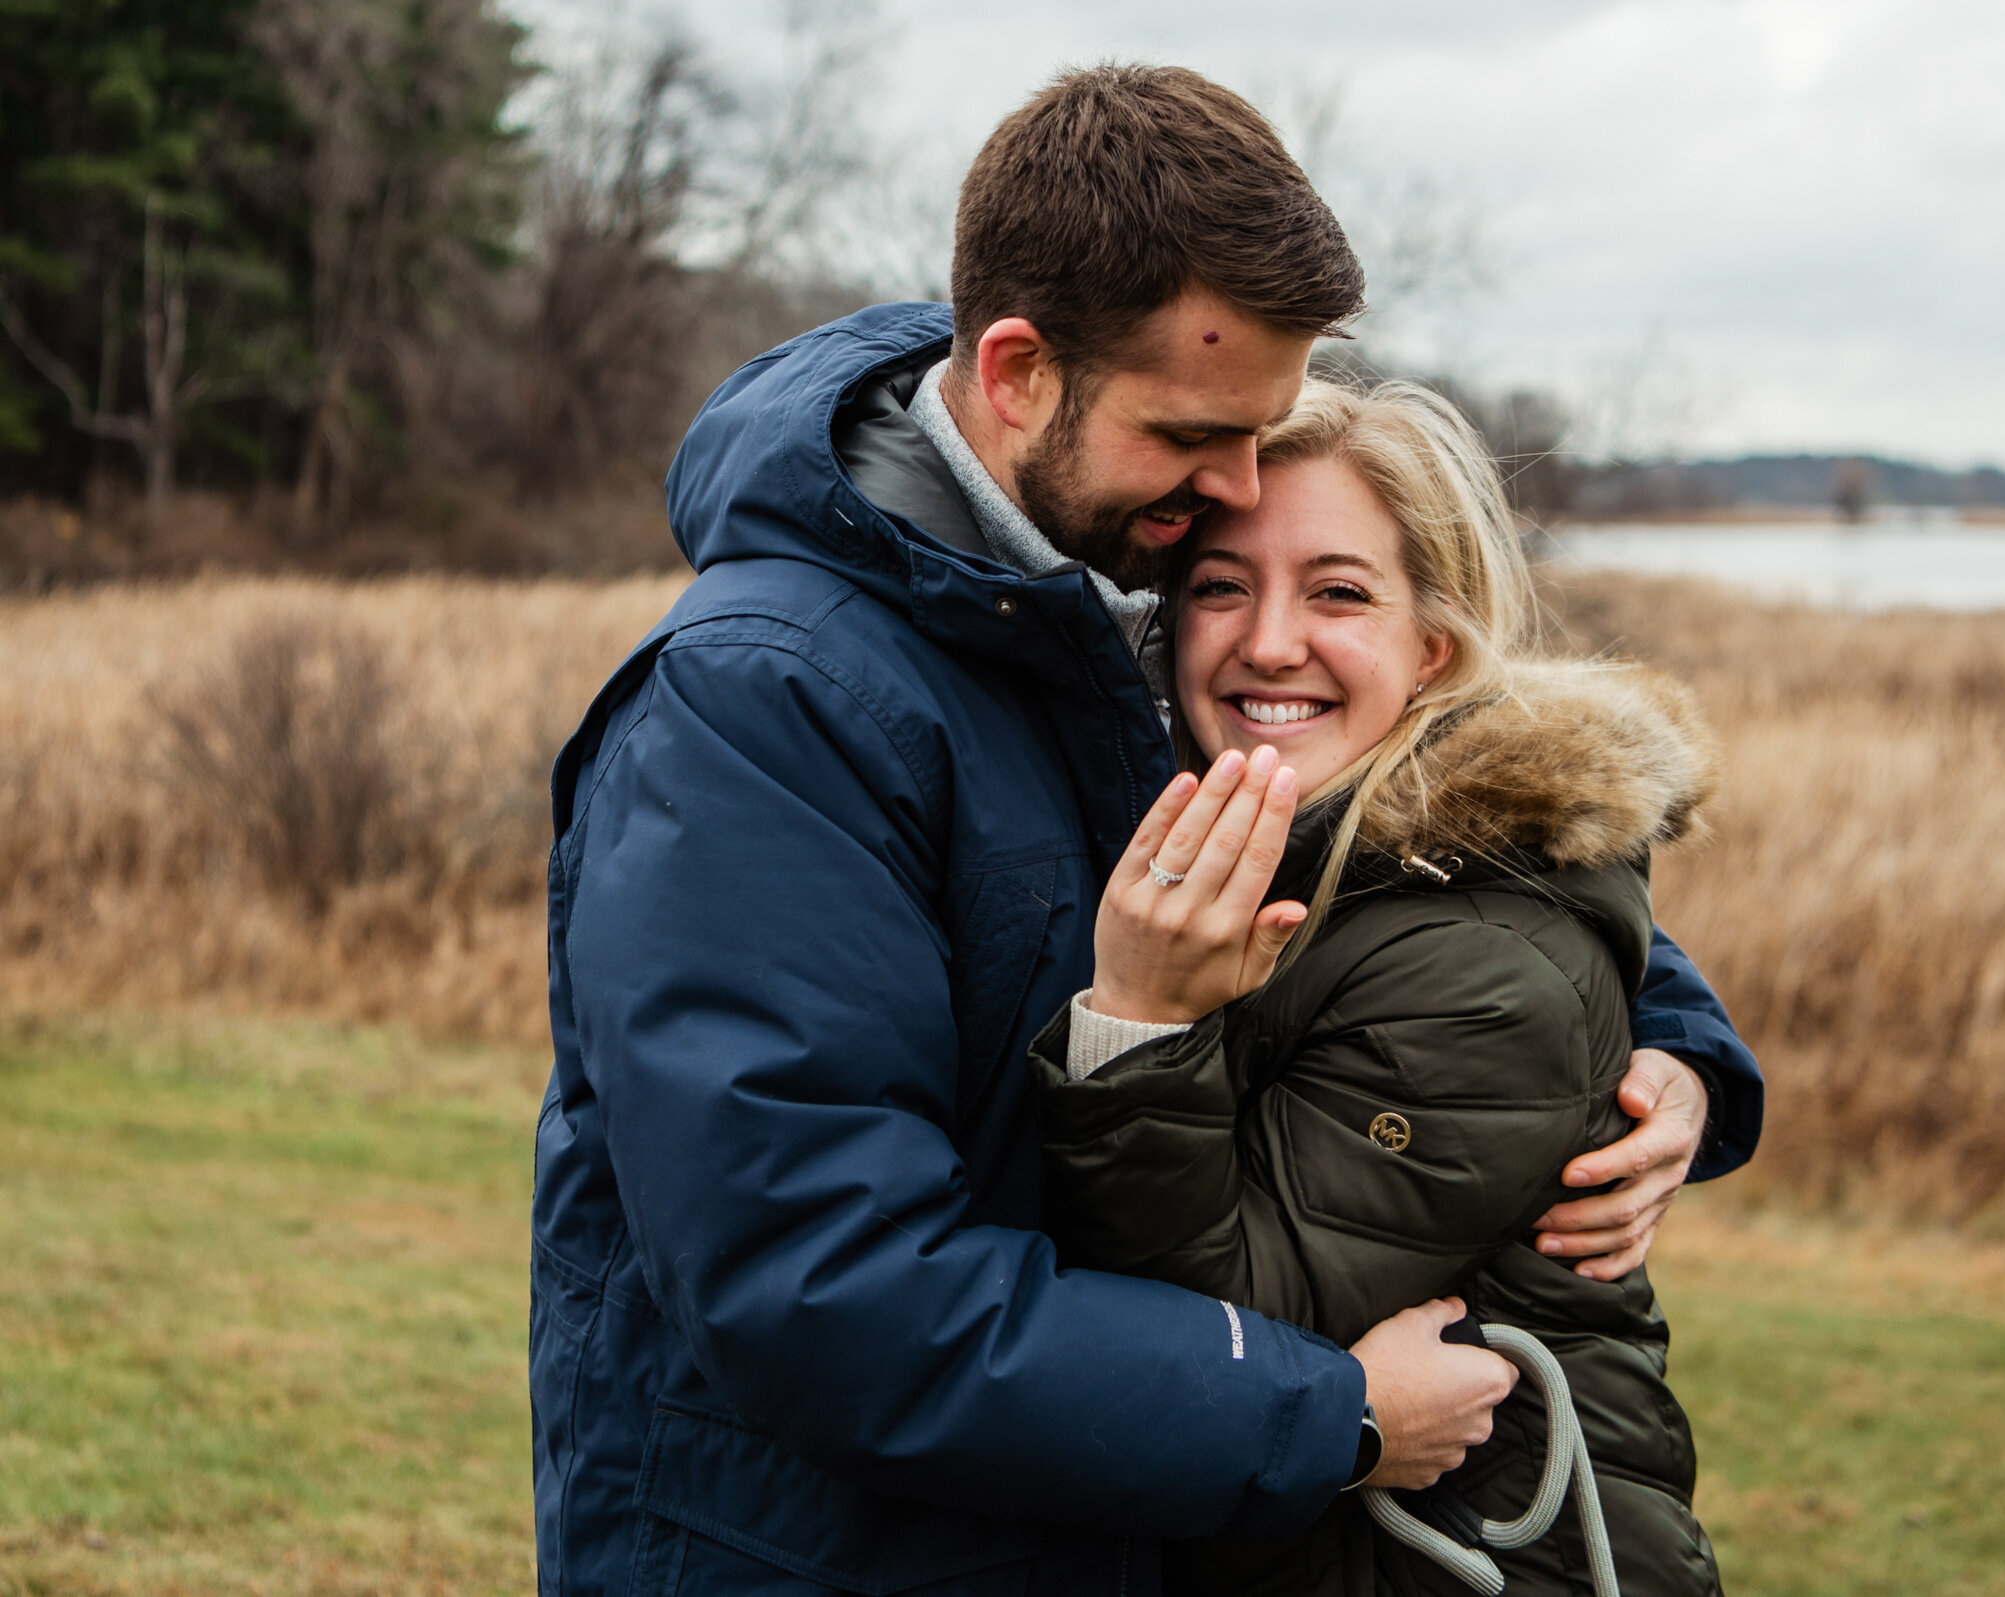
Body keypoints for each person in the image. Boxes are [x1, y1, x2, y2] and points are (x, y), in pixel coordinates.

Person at [530, 64, 1761, 1594]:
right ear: (1018, 371)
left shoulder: (1109, 588)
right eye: (1197, 432)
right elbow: (814, 1285)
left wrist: (1672, 1043)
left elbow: (1412, 845)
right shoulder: (765, 710)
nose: (1235, 489)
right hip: (829, 1552)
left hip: (1094, 1525)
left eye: (1263, 432)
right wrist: (1332, 1413)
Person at [1034, 379, 1724, 1595]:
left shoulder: (1483, 959)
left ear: (1433, 652)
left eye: (1339, 590)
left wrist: (1137, 1023)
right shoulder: (1243, 840)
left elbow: (1224, 1333)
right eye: (1221, 584)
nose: (1268, 640)